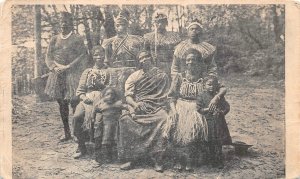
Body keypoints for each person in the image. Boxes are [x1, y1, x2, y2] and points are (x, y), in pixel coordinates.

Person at [166, 49, 226, 171]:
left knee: (194, 129)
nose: (191, 62)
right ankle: (179, 159)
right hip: (180, 106)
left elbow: (223, 88)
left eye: (194, 59)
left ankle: (190, 160)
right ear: (185, 62)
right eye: (188, 59)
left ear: (199, 61)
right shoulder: (179, 77)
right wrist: (174, 111)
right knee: (175, 128)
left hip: (198, 107)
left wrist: (216, 97)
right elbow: (171, 96)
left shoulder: (205, 77)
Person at [118, 50, 170, 172]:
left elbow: (165, 95)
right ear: (139, 61)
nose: (144, 59)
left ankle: (157, 159)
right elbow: (128, 96)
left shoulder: (162, 75)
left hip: (156, 107)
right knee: (125, 119)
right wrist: (135, 105)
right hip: (139, 106)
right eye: (141, 58)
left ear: (151, 58)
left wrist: (159, 105)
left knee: (164, 119)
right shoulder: (134, 76)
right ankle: (131, 158)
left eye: (146, 56)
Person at [45, 12, 88, 142]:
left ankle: (77, 133)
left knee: (75, 103)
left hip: (72, 74)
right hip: (57, 75)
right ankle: (66, 132)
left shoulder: (77, 38)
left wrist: (69, 66)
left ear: (71, 23)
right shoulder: (54, 39)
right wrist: (54, 67)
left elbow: (83, 55)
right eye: (61, 22)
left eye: (66, 22)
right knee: (62, 104)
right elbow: (48, 56)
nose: (63, 24)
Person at [72, 46, 110, 159]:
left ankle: (100, 149)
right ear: (93, 57)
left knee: (100, 120)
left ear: (105, 55)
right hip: (87, 99)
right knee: (77, 116)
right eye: (96, 55)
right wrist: (84, 98)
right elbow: (80, 90)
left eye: (101, 54)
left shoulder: (109, 71)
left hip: (104, 100)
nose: (99, 57)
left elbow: (112, 89)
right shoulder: (87, 71)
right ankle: (81, 146)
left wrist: (101, 85)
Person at [196, 75, 231, 169]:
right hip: (208, 122)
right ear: (204, 85)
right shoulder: (201, 95)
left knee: (218, 142)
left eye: (213, 85)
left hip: (218, 122)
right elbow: (198, 109)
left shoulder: (218, 97)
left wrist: (221, 112)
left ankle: (219, 160)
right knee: (209, 141)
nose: (211, 87)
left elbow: (227, 107)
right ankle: (210, 159)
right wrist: (208, 109)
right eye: (209, 85)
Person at [91, 87, 125, 164]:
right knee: (106, 140)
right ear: (104, 96)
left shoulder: (118, 103)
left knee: (115, 139)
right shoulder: (101, 104)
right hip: (106, 124)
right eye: (107, 94)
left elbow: (126, 107)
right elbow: (94, 110)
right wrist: (93, 118)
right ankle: (107, 157)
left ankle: (116, 157)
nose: (110, 96)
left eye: (112, 94)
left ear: (115, 96)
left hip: (116, 124)